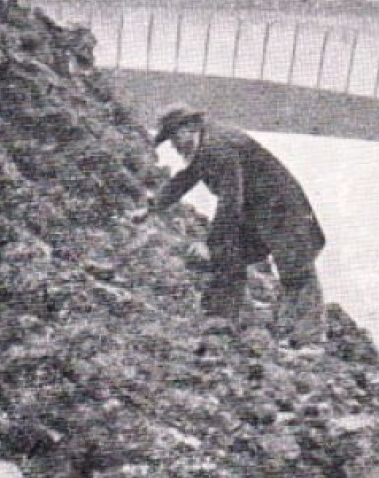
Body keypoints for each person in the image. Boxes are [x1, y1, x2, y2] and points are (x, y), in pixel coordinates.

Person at [132, 104, 326, 343]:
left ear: (190, 127)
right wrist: (153, 208)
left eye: (175, 137)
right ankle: (227, 319)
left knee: (297, 270)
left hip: (283, 209)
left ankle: (309, 341)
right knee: (230, 255)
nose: (174, 145)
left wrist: (210, 243)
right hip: (258, 209)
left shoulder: (218, 147)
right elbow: (187, 178)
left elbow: (230, 202)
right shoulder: (206, 145)